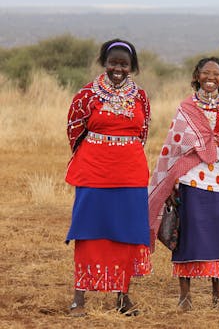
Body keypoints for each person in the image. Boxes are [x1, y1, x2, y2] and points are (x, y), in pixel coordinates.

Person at [148, 57, 219, 311]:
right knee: (187, 235)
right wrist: (170, 184)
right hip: (190, 179)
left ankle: (218, 295)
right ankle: (185, 295)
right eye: (206, 73)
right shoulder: (186, 106)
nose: (211, 77)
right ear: (197, 75)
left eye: (216, 74)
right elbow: (175, 145)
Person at [65, 39, 151, 317]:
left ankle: (122, 296)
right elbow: (74, 131)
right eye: (113, 62)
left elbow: (143, 132)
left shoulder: (140, 97)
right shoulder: (87, 95)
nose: (118, 68)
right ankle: (80, 297)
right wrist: (97, 152)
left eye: (124, 64)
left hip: (131, 172)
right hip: (93, 171)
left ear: (132, 67)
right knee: (88, 230)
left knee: (127, 232)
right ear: (104, 62)